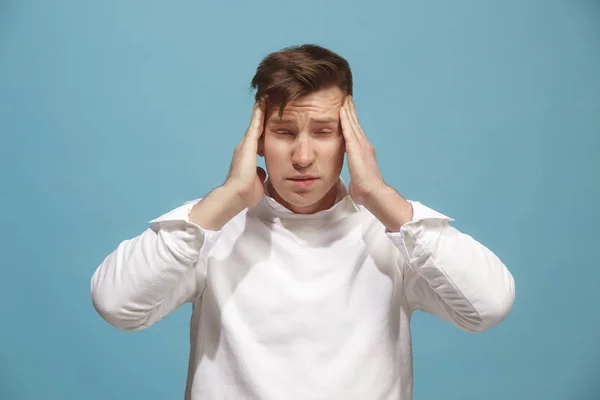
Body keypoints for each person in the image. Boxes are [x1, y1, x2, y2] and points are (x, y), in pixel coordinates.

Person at [91, 44, 515, 400]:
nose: (303, 156)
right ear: (258, 139)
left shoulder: (394, 232)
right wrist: (225, 201)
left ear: (351, 139)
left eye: (324, 131)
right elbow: (116, 304)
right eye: (284, 131)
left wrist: (382, 198)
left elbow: (488, 305)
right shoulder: (213, 229)